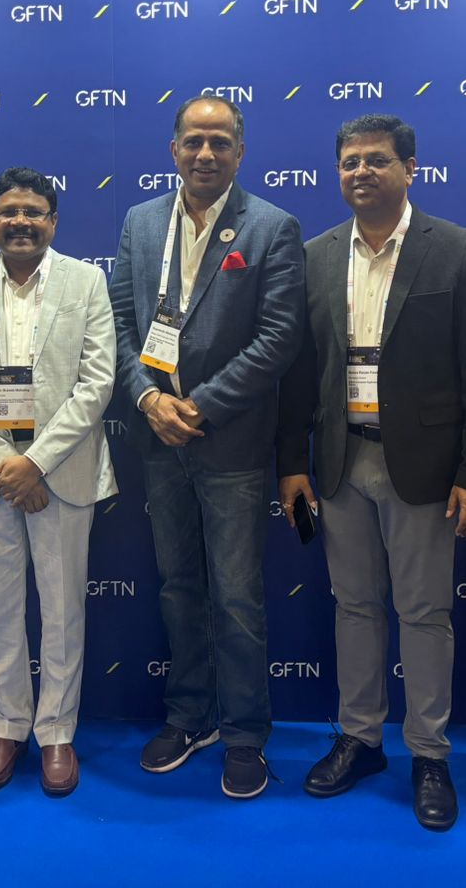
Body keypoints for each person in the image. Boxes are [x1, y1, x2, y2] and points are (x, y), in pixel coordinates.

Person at [277, 114, 466, 832]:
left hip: (425, 468)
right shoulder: (315, 256)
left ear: (410, 169)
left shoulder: (459, 250)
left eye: (377, 160)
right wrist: (291, 464)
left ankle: (429, 754)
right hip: (341, 461)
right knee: (354, 606)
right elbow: (298, 373)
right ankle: (361, 739)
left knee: (425, 612)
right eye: (349, 162)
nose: (361, 172)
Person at [109, 95, 304, 800]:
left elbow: (279, 337)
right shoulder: (141, 222)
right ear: (174, 149)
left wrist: (202, 405)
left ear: (240, 153)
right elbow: (117, 324)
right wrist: (148, 400)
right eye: (194, 140)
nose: (206, 153)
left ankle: (245, 732)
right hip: (158, 439)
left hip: (230, 443)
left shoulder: (272, 226)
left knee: (239, 596)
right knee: (178, 587)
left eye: (220, 142)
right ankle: (189, 715)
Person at [0, 168, 116, 796]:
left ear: (53, 222)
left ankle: (57, 731)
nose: (21, 222)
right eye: (9, 212)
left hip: (61, 471)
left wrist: (35, 462)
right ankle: (7, 726)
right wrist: (4, 465)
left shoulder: (87, 282)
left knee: (63, 610)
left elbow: (97, 382)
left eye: (34, 212)